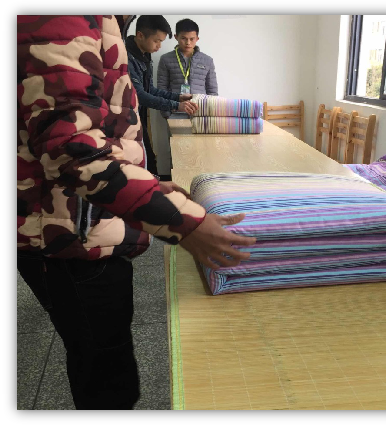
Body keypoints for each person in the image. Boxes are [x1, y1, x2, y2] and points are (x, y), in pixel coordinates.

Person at [17, 14, 256, 410]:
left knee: (104, 355)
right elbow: (71, 149)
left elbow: (90, 129)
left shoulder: (105, 23)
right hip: (69, 233)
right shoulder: (68, 18)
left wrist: (146, 183)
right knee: (105, 372)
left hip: (85, 220)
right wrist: (185, 222)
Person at [125, 15, 198, 180]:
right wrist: (176, 105)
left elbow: (150, 89)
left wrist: (178, 97)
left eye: (161, 41)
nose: (159, 46)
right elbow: (139, 95)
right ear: (140, 35)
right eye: (156, 41)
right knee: (142, 163)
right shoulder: (126, 58)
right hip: (127, 120)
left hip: (139, 116)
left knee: (149, 161)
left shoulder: (145, 55)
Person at [157, 18, 218, 121]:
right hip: (175, 113)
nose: (188, 43)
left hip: (201, 114)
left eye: (192, 39)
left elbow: (212, 90)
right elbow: (161, 88)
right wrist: (167, 113)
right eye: (183, 38)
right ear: (176, 37)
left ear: (197, 38)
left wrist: (210, 113)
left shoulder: (207, 60)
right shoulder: (165, 59)